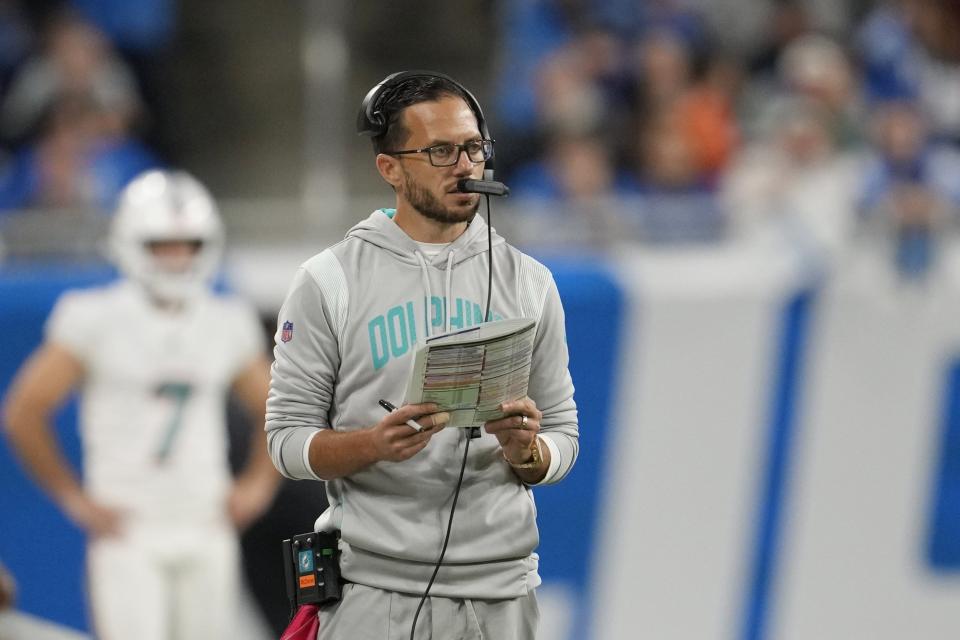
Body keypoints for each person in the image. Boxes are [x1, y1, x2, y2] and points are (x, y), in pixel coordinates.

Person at [266, 71, 579, 639]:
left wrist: (528, 451)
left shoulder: (531, 283)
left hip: (502, 593)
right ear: (390, 168)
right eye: (440, 151)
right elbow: (286, 444)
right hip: (372, 592)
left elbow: (565, 440)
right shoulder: (328, 281)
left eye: (473, 147)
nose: (464, 165)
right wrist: (372, 445)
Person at [2, 169, 279, 640]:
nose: (176, 258)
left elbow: (281, 410)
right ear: (131, 244)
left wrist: (258, 486)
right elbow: (24, 411)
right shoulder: (93, 316)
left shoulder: (225, 320)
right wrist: (74, 498)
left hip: (205, 523)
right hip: (130, 528)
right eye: (161, 245)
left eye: (187, 243)